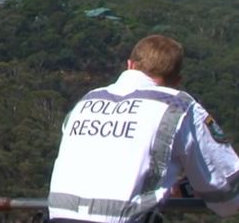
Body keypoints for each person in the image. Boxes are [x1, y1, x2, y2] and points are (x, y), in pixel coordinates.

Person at [47, 35, 239, 223]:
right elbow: (227, 197)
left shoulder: (87, 100)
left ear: (130, 65)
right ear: (177, 80)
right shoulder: (179, 107)